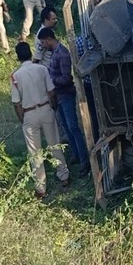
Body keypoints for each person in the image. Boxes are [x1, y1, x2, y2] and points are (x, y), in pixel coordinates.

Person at [10, 41, 70, 197]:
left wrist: (22, 119)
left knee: (35, 152)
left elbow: (16, 103)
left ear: (18, 57)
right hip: (45, 108)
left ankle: (41, 187)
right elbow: (51, 92)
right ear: (30, 53)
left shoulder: (16, 76)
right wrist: (53, 107)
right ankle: (64, 176)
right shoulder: (42, 69)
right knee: (55, 144)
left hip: (29, 113)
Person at [38, 27, 90, 177]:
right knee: (66, 127)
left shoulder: (62, 53)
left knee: (73, 127)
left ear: (49, 39)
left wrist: (50, 81)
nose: (43, 45)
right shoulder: (54, 53)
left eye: (43, 42)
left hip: (66, 95)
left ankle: (84, 161)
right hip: (58, 96)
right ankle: (76, 154)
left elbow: (67, 78)